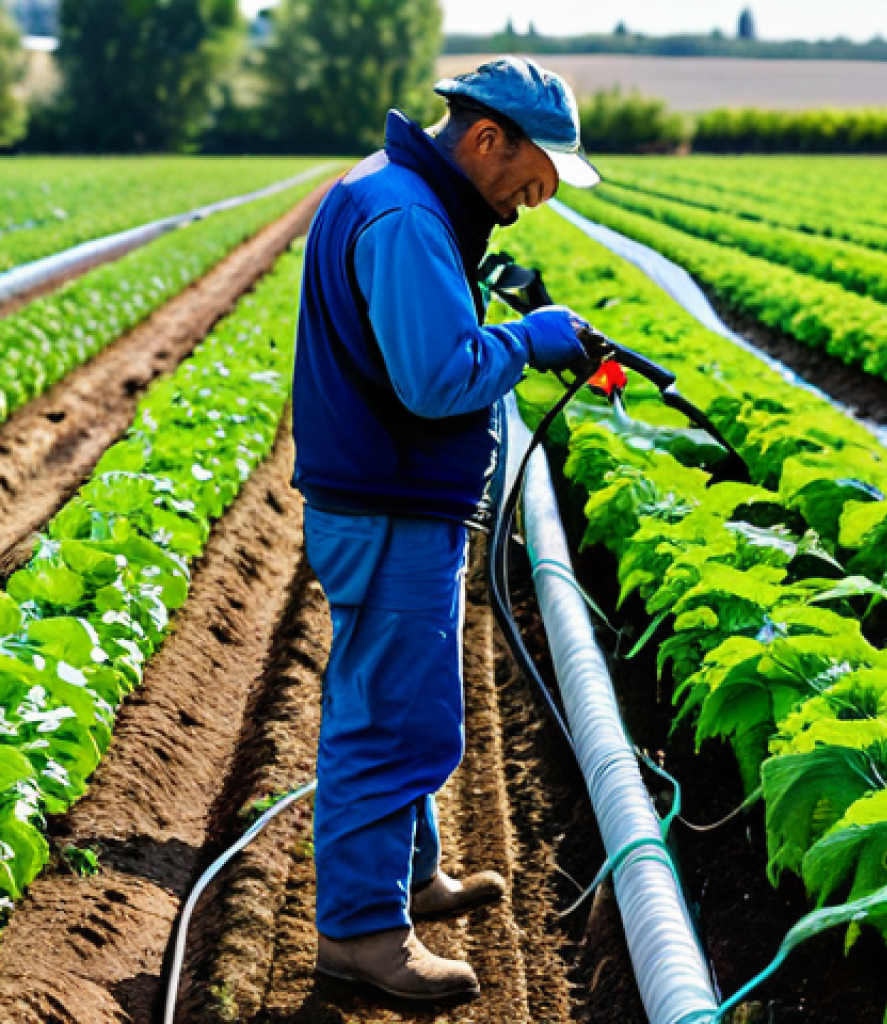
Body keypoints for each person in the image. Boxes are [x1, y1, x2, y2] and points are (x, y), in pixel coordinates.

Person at [291, 56, 600, 1003]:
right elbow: (434, 380)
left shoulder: (400, 193)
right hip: (385, 504)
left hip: (390, 498)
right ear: (486, 139)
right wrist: (526, 339)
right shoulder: (408, 216)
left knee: (409, 706)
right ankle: (360, 934)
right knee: (387, 722)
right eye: (533, 177)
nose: (534, 199)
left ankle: (411, 877)